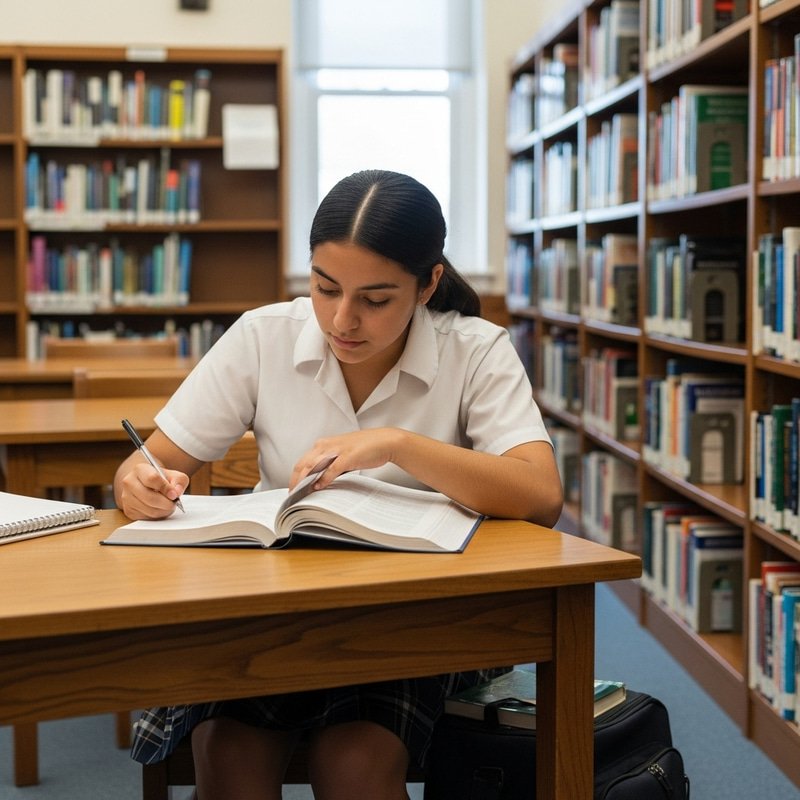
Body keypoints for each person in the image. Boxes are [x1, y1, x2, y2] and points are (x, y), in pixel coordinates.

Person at [114, 169, 563, 800]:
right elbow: (144, 465)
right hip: (279, 611)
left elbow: (541, 494)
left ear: (428, 283)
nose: (342, 320)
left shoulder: (475, 349)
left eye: (375, 300)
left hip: (418, 617)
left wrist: (395, 443)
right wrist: (139, 485)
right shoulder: (263, 335)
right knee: (228, 752)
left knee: (354, 765)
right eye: (326, 288)